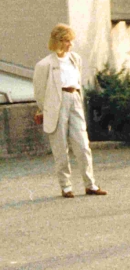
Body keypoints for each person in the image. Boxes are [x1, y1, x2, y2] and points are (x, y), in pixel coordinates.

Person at [33, 24, 106, 198]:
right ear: (57, 41)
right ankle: (66, 187)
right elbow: (39, 91)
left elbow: (78, 81)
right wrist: (44, 109)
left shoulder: (75, 59)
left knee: (83, 145)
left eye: (71, 40)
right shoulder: (45, 64)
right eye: (66, 41)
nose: (70, 44)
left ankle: (90, 184)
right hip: (56, 104)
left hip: (75, 99)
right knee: (60, 148)